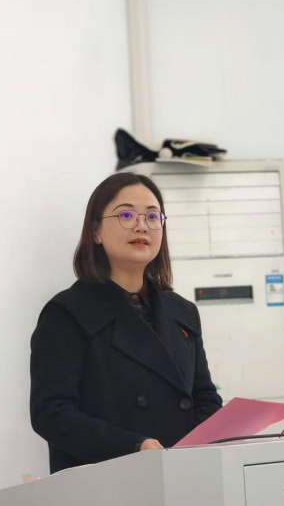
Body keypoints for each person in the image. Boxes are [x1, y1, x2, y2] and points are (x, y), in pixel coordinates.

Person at [30, 172, 222, 474]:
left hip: (181, 474)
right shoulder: (66, 313)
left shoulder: (183, 312)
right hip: (108, 479)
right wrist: (133, 446)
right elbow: (51, 413)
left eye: (153, 216)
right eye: (126, 215)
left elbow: (205, 396)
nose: (141, 225)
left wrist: (191, 448)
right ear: (96, 231)